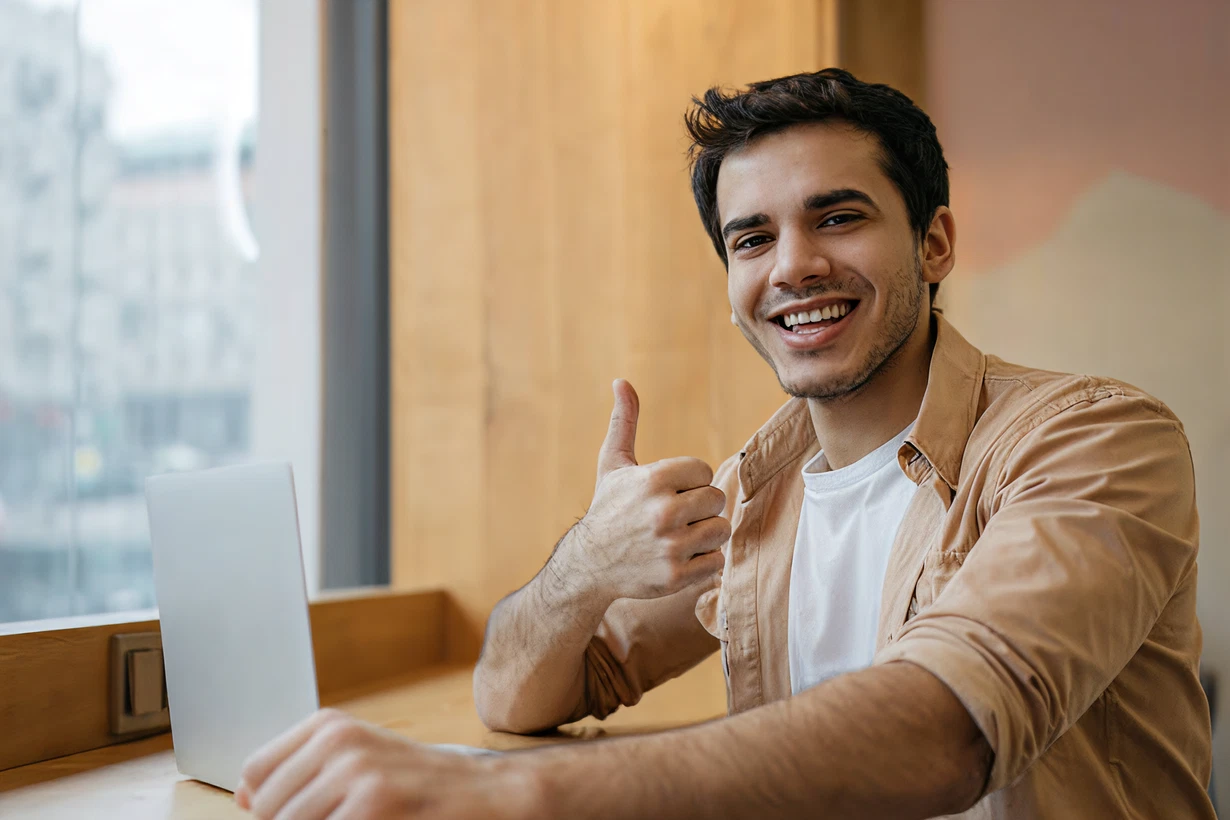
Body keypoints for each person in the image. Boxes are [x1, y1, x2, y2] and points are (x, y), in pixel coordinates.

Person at [234, 69, 1215, 819]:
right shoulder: (758, 494)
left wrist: (495, 795)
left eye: (838, 216)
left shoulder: (1097, 440)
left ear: (935, 243)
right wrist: (584, 564)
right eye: (752, 238)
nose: (794, 265)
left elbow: (949, 729)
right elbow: (514, 695)